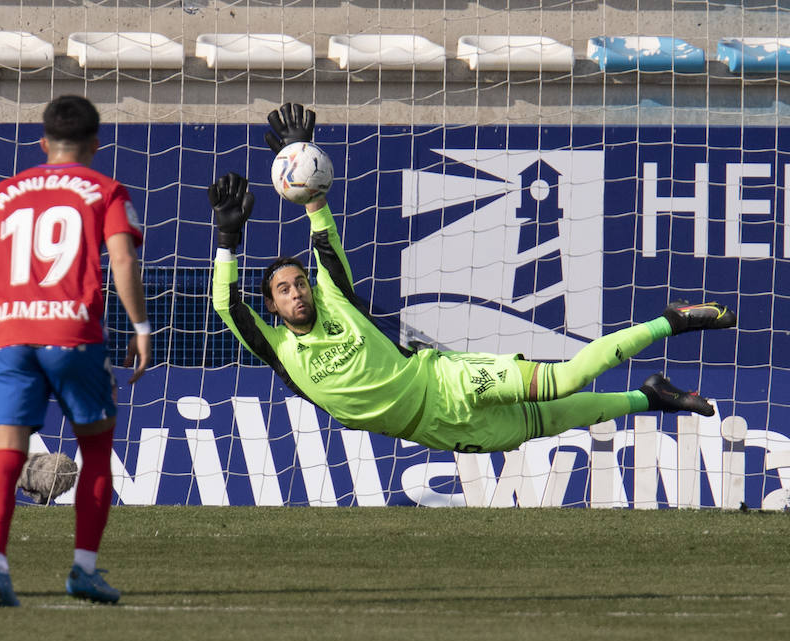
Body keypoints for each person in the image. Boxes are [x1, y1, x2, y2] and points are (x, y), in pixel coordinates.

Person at [208, 104, 736, 455]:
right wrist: (227, 242)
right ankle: (651, 398)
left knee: (566, 380)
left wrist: (310, 178)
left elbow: (324, 241)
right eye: (284, 289)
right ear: (272, 309)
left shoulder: (337, 301)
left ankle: (671, 321)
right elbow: (229, 308)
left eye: (299, 282)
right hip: (434, 428)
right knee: (549, 422)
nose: (297, 291)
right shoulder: (278, 349)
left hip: (445, 380)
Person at [0, 94, 151, 607]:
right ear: (94, 144)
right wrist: (141, 326)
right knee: (97, 456)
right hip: (74, 338)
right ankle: (83, 569)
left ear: (42, 143)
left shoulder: (5, 193)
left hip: (14, 339)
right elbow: (122, 260)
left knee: (5, 458)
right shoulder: (104, 190)